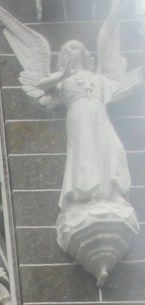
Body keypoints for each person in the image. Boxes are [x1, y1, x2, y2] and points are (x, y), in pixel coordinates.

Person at [35, 40, 132, 211]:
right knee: (86, 153)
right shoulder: (62, 79)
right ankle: (90, 196)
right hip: (78, 114)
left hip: (99, 114)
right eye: (65, 49)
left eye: (74, 47)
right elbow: (41, 85)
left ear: (83, 52)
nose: (69, 51)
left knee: (115, 149)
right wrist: (62, 74)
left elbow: (117, 90)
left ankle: (115, 193)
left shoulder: (97, 78)